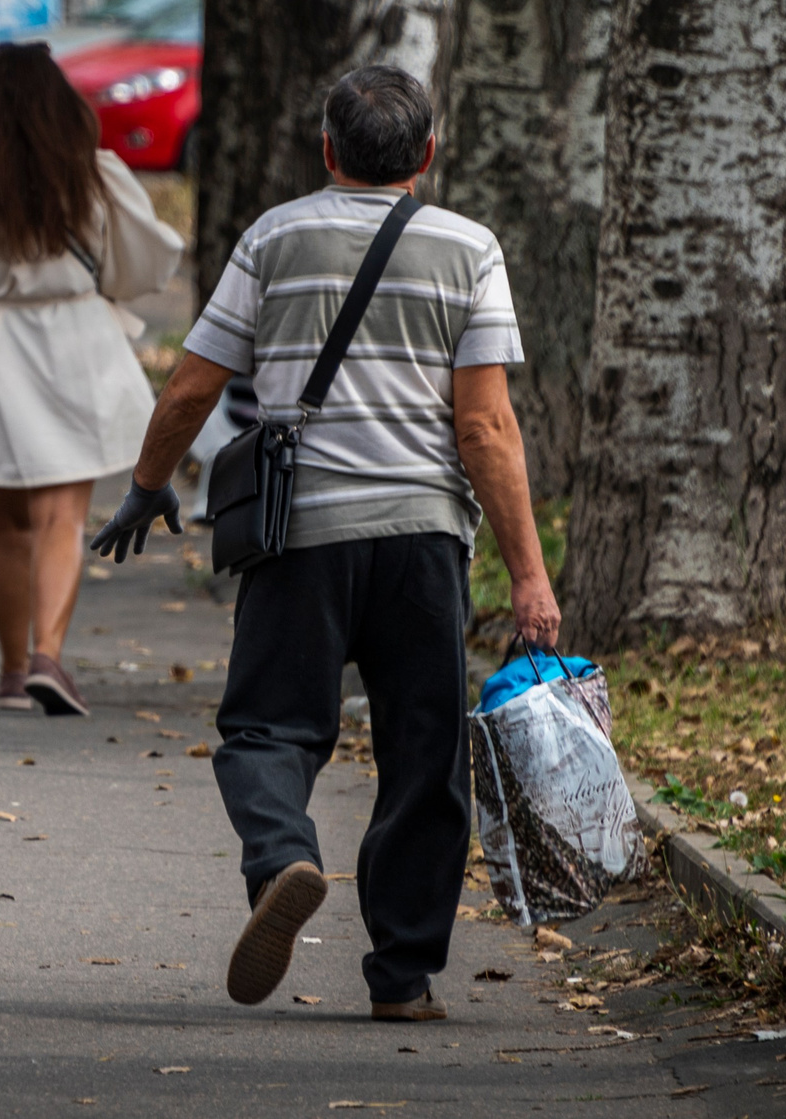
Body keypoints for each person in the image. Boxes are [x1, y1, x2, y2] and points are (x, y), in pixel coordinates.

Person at [90, 65, 562, 1025]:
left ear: (326, 149)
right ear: (427, 155)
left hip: (299, 533)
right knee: (424, 757)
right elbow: (486, 429)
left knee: (268, 727)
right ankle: (403, 979)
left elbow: (190, 387)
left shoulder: (275, 235)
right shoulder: (470, 250)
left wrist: (148, 487)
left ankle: (283, 858)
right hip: (425, 540)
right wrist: (529, 572)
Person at [0, 44, 180, 717]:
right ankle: (49, 657)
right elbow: (142, 259)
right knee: (63, 514)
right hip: (73, 339)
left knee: (6, 522)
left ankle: (9, 672)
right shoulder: (93, 173)